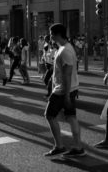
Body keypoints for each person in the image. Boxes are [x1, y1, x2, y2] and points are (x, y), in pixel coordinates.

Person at [44, 23, 85, 158]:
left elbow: (67, 74)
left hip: (62, 90)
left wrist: (67, 95)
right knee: (71, 116)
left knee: (50, 115)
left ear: (56, 34)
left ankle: (59, 146)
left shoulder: (65, 50)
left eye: (51, 33)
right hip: (68, 88)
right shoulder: (64, 48)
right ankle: (77, 147)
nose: (49, 36)